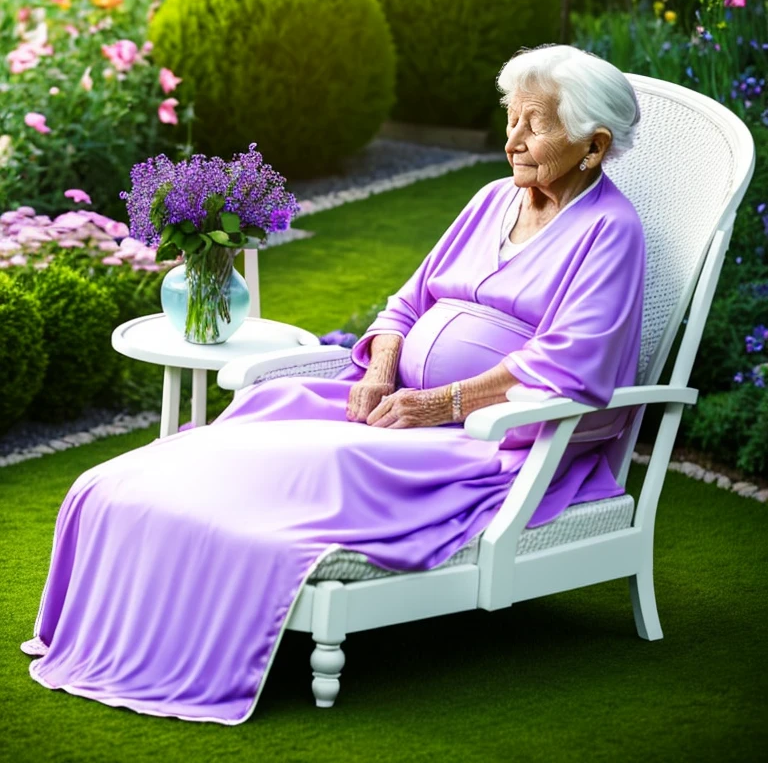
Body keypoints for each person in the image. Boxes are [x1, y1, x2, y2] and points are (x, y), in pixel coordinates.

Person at [22, 44, 645, 725]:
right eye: (512, 118)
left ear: (594, 144)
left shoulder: (609, 232)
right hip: (396, 406)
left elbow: (568, 362)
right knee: (258, 417)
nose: (513, 139)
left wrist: (439, 403)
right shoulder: (492, 200)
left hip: (489, 444)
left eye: (536, 125)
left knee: (331, 460)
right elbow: (404, 306)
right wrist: (380, 372)